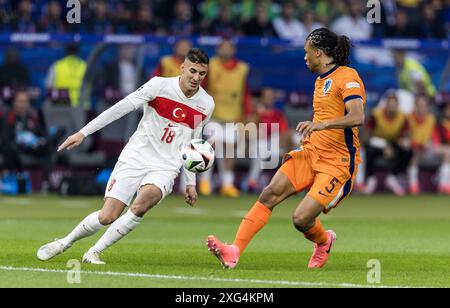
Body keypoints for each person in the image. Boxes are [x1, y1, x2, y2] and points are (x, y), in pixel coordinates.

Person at [37, 48, 214, 265]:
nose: (196, 78)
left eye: (202, 74)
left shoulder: (206, 104)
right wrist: (83, 132)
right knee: (107, 216)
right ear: (183, 68)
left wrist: (190, 183)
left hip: (166, 165)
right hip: (136, 156)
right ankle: (65, 242)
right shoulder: (158, 85)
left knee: (142, 203)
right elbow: (121, 108)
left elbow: (192, 146)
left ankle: (94, 251)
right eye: (193, 71)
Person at [207, 28, 365, 269]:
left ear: (319, 53)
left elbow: (356, 116)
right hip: (311, 152)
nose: (305, 57)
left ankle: (324, 241)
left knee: (301, 219)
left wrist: (320, 125)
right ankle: (233, 251)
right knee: (269, 194)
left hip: (338, 163)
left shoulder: (348, 76)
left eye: (307, 52)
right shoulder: (320, 79)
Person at [200, 39, 251, 197]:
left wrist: (246, 113)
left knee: (230, 150)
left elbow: (245, 92)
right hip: (213, 114)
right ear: (218, 49)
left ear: (233, 50)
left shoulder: (242, 68)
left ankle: (227, 184)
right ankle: (205, 181)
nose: (226, 50)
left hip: (233, 115)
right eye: (223, 47)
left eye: (229, 47)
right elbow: (202, 87)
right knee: (211, 146)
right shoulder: (211, 65)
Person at [363, 92, 412, 196]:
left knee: (408, 151)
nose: (392, 107)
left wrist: (404, 141)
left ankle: (393, 177)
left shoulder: (403, 117)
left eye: (394, 104)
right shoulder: (376, 114)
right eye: (390, 104)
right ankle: (371, 180)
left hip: (393, 144)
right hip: (377, 143)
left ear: (397, 105)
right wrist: (385, 145)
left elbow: (407, 135)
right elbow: (367, 137)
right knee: (368, 150)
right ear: (386, 104)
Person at [407, 95, 436, 194]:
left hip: (429, 148)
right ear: (415, 106)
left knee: (447, 152)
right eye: (419, 105)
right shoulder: (409, 118)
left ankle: (444, 184)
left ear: (427, 107)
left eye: (424, 105)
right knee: (415, 154)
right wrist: (419, 145)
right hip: (415, 149)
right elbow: (406, 138)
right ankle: (413, 185)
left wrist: (431, 143)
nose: (421, 108)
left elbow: (434, 136)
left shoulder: (431, 119)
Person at [45, 43, 87, 109]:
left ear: (66, 51)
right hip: (82, 106)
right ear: (78, 51)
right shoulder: (85, 66)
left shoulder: (57, 65)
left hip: (61, 105)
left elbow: (48, 85)